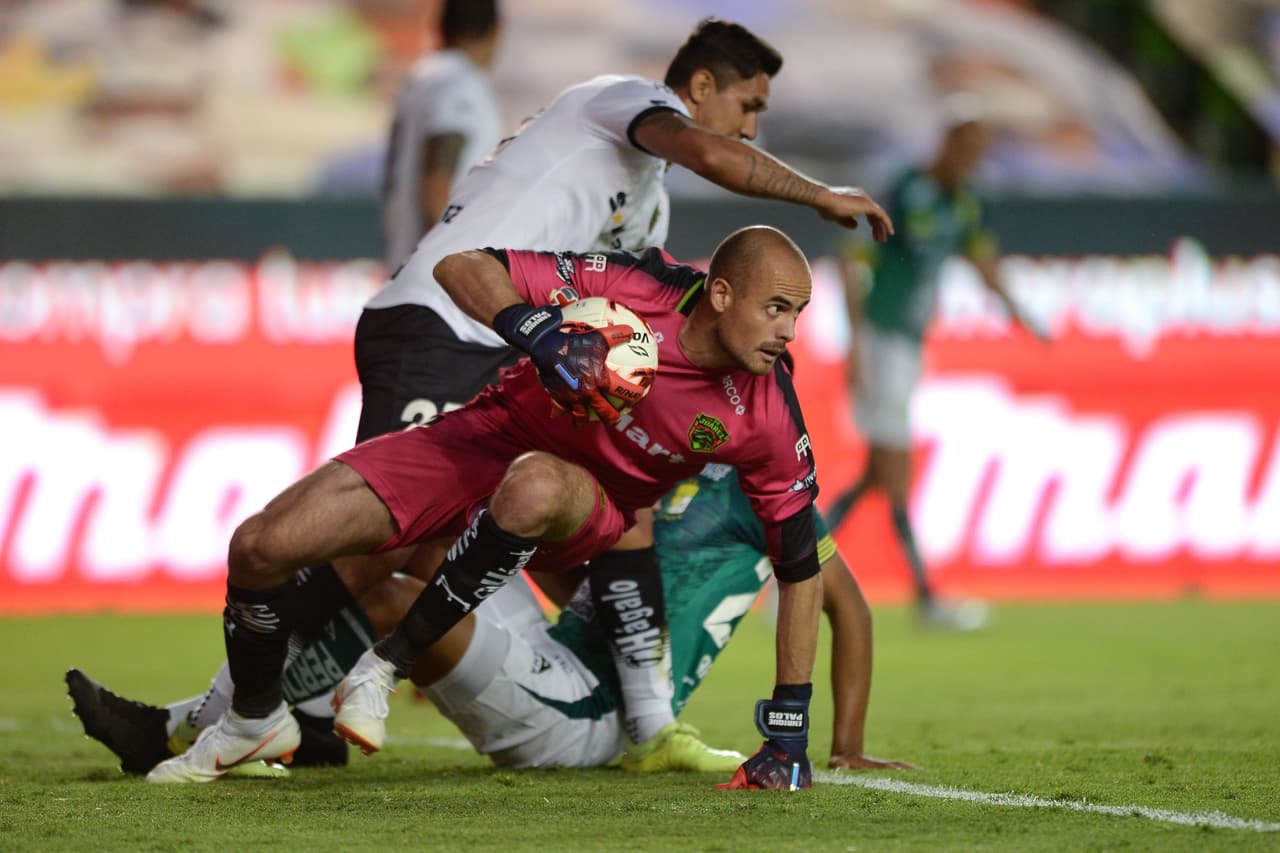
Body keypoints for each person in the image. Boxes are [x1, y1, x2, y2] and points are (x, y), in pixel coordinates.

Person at [173, 16, 893, 775]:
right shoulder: (621, 100)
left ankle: (644, 719)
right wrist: (819, 195)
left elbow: (649, 317)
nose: (750, 128)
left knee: (605, 500)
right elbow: (712, 156)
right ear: (702, 86)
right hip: (448, 323)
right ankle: (227, 713)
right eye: (749, 106)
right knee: (354, 543)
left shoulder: (652, 213)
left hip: (511, 369)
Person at [143, 225, 834, 791]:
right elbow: (461, 265)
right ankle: (253, 717)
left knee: (534, 485)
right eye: (777, 307)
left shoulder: (767, 412)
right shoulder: (633, 286)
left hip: (590, 510)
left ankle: (386, 664)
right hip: (479, 437)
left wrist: (788, 731)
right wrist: (537, 332)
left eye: (798, 312)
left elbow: (801, 567)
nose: (790, 330)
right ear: (720, 293)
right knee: (261, 544)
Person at [68, 464, 913, 775]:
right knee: (419, 533)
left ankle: (194, 727)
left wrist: (838, 740)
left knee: (403, 605)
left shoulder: (768, 493)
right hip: (561, 653)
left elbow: (851, 606)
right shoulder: (654, 465)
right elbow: (573, 578)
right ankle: (293, 722)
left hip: (595, 717)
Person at [823, 97, 1046, 630]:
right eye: (968, 146)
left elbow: (981, 258)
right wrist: (855, 346)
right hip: (881, 339)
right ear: (947, 141)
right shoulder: (904, 190)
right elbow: (852, 260)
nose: (974, 158)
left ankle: (788, 578)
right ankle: (926, 598)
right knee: (893, 474)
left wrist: (1020, 311)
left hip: (909, 343)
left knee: (877, 476)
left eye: (981, 150)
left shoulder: (967, 201)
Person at [381, 0, 502, 273]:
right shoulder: (460, 83)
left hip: (405, 261)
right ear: (495, 32)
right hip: (434, 281)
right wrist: (452, 269)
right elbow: (436, 186)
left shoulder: (423, 77)